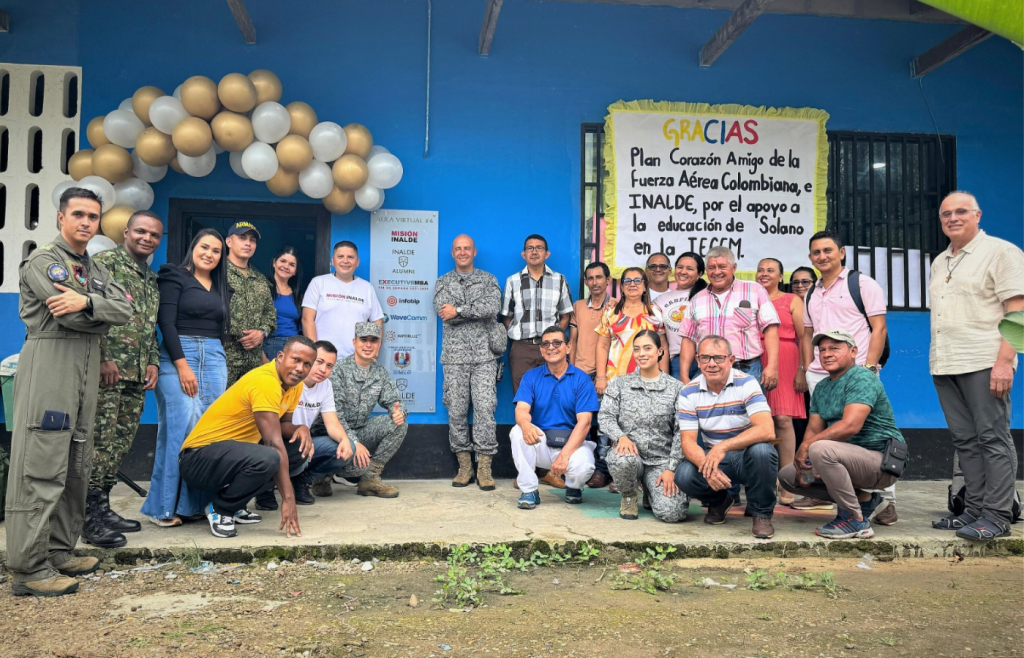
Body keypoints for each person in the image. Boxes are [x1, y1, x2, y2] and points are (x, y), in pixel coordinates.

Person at [5, 187, 132, 597]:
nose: (85, 223)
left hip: (85, 365)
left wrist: (87, 303)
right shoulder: (44, 261)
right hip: (51, 362)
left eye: (93, 217)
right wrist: (96, 311)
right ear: (61, 217)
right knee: (41, 461)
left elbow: (126, 310)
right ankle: (28, 567)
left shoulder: (94, 269)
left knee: (76, 458)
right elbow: (73, 320)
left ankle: (59, 550)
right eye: (78, 214)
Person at [929, 192, 1024, 541]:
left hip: (985, 360)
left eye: (961, 212)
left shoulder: (1002, 252)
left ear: (977, 215)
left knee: (992, 438)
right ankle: (973, 510)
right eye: (945, 214)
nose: (953, 218)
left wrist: (1004, 362)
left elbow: (1018, 312)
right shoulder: (940, 261)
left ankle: (998, 515)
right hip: (945, 362)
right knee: (966, 441)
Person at [798, 230, 896, 522]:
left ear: (841, 252)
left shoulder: (862, 284)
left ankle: (888, 501)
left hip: (857, 372)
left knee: (870, 435)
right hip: (820, 374)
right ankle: (855, 497)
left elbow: (878, 328)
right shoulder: (812, 292)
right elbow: (807, 333)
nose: (822, 257)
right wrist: (807, 368)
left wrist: (868, 368)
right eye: (816, 252)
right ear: (810, 257)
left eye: (828, 250)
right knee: (827, 434)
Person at [178, 336, 316, 539]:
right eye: (295, 360)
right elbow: (272, 442)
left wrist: (301, 428)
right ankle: (221, 509)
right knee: (270, 456)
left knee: (296, 451)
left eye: (307, 364)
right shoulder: (265, 381)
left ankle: (236, 503)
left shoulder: (294, 385)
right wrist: (289, 498)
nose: (300, 368)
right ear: (280, 357)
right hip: (198, 459)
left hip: (232, 456)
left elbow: (283, 425)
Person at [83, 210, 163, 550]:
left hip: (136, 375)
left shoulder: (149, 277)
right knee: (98, 445)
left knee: (118, 445)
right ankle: (87, 518)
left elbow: (149, 325)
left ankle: (103, 508)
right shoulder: (103, 265)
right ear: (127, 231)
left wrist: (154, 363)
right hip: (109, 371)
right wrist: (104, 357)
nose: (147, 238)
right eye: (141, 231)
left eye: (154, 235)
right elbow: (91, 314)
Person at [141, 229, 231, 527]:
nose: (209, 254)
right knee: (180, 426)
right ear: (193, 247)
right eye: (204, 247)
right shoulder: (173, 276)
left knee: (208, 430)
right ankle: (163, 508)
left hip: (214, 357)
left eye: (216, 250)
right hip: (179, 353)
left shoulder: (221, 286)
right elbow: (165, 322)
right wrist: (181, 364)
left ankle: (194, 506)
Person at [779, 330, 906, 540]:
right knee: (788, 476)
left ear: (854, 351)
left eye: (835, 348)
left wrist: (807, 447)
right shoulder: (821, 387)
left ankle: (855, 520)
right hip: (845, 458)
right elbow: (813, 428)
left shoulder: (862, 377)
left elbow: (850, 426)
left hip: (881, 461)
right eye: (822, 350)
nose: (827, 354)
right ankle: (866, 500)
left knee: (820, 448)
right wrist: (804, 462)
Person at [673, 335, 779, 539]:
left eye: (718, 358)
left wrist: (722, 447)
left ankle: (761, 514)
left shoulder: (747, 383)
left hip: (746, 457)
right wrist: (706, 465)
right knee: (684, 475)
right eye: (705, 358)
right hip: (717, 461)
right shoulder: (688, 392)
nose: (711, 364)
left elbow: (767, 430)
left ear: (731, 359)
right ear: (697, 360)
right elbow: (687, 442)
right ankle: (720, 501)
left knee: (763, 451)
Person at [433, 235, 505, 490]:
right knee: (456, 410)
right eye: (458, 249)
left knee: (486, 410)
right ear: (452, 253)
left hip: (485, 356)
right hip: (454, 358)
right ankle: (465, 466)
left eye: (467, 248)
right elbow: (443, 312)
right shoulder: (443, 282)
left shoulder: (488, 279)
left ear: (474, 251)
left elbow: (493, 306)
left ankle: (485, 467)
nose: (462, 252)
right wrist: (468, 310)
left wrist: (460, 310)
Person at [308, 323, 408, 498]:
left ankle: (370, 478)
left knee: (398, 425)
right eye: (363, 340)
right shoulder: (337, 370)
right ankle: (322, 477)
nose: (368, 345)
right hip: (329, 434)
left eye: (373, 340)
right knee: (354, 462)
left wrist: (398, 412)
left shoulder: (380, 373)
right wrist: (353, 442)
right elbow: (334, 416)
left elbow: (394, 400)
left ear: (378, 345)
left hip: (359, 430)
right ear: (354, 342)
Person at [600, 331, 688, 522]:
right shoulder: (620, 384)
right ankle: (629, 495)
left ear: (660, 351)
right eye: (637, 349)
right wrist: (620, 436)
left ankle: (650, 490)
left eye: (648, 348)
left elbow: (681, 432)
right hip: (630, 455)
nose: (642, 354)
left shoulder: (676, 388)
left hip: (661, 461)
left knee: (672, 513)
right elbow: (605, 416)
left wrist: (672, 469)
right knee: (622, 460)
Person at [511, 326, 600, 509]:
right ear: (542, 350)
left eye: (557, 343)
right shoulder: (531, 377)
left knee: (584, 466)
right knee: (517, 431)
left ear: (568, 347)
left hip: (573, 444)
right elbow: (521, 409)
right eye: (546, 344)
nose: (551, 347)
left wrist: (565, 456)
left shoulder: (582, 379)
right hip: (542, 441)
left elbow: (585, 423)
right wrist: (526, 425)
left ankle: (573, 486)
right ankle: (529, 490)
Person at [679, 246, 780, 392]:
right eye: (712, 267)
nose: (717, 272)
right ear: (707, 271)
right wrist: (684, 376)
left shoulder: (754, 290)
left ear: (734, 268)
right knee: (709, 414)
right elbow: (687, 339)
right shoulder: (696, 299)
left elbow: (771, 328)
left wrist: (772, 366)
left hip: (746, 369)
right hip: (708, 371)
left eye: (722, 266)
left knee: (749, 414)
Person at [755, 258, 807, 507]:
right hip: (756, 359)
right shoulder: (751, 298)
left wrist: (802, 370)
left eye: (770, 270)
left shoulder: (792, 300)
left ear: (780, 276)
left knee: (783, 420)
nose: (764, 274)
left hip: (786, 359)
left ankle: (787, 481)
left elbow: (803, 336)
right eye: (761, 270)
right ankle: (762, 481)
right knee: (757, 421)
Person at [501, 234, 574, 395]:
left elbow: (565, 316)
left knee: (553, 394)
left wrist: (554, 339)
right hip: (522, 348)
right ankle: (524, 422)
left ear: (547, 254)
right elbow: (506, 316)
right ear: (524, 254)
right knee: (523, 396)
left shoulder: (559, 280)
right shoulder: (512, 281)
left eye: (539, 248)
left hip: (552, 347)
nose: (534, 252)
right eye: (530, 248)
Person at [568, 261, 616, 489]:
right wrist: (570, 371)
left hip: (608, 374)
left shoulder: (618, 306)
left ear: (608, 280)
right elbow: (573, 341)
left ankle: (603, 470)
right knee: (580, 421)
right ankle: (576, 466)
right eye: (590, 278)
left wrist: (603, 376)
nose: (595, 282)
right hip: (581, 373)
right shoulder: (577, 306)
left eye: (599, 277)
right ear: (586, 282)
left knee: (607, 423)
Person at [302, 241, 383, 359]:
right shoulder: (318, 283)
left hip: (357, 359)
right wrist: (315, 352)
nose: (345, 261)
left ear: (357, 262)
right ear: (333, 261)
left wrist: (374, 352)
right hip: (324, 359)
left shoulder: (367, 288)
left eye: (350, 257)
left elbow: (377, 321)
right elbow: (307, 319)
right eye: (340, 257)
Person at [595, 267, 669, 395]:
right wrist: (601, 377)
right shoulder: (611, 312)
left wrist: (664, 377)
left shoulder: (655, 313)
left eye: (637, 280)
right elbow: (602, 346)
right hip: (616, 378)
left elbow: (663, 347)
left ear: (645, 287)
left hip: (650, 377)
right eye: (627, 281)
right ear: (622, 287)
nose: (632, 284)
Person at [223, 221, 276, 385]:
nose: (248, 243)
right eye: (242, 237)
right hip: (222, 359)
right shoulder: (216, 272)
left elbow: (270, 316)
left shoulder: (260, 279)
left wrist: (262, 333)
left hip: (252, 363)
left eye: (252, 240)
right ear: (229, 241)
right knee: (218, 408)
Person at [653, 252, 707, 380]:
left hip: (706, 358)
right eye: (680, 267)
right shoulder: (660, 300)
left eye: (689, 269)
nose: (683, 272)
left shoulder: (707, 295)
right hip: (677, 361)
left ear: (699, 274)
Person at [264, 246, 303, 361]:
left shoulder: (298, 295)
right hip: (271, 344)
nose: (286, 266)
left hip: (295, 345)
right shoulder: (263, 288)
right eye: (283, 261)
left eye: (292, 265)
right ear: (274, 263)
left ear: (295, 271)